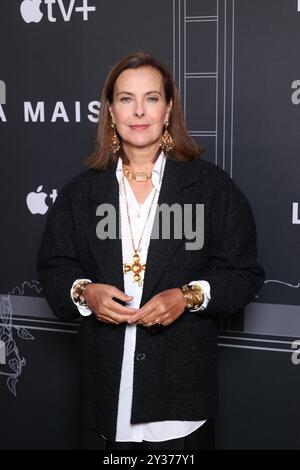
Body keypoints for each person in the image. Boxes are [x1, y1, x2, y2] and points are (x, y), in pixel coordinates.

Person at [36, 52, 265, 450]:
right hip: (105, 399)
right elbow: (54, 267)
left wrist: (188, 296)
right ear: (109, 110)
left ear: (169, 107)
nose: (139, 111)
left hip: (181, 406)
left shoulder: (211, 188)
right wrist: (84, 292)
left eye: (151, 98)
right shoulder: (80, 192)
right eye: (126, 99)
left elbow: (244, 274)